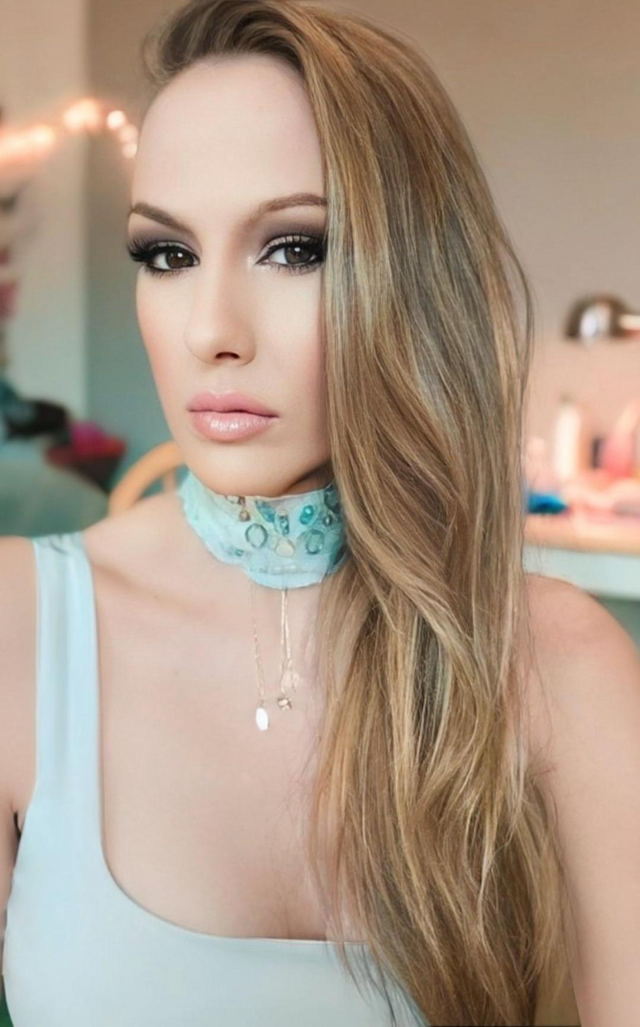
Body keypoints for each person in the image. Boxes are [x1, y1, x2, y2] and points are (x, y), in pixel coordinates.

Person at [2, 1, 640, 1024]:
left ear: (415, 276)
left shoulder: (563, 666)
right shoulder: (19, 626)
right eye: (167, 254)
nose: (211, 329)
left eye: (294, 248)